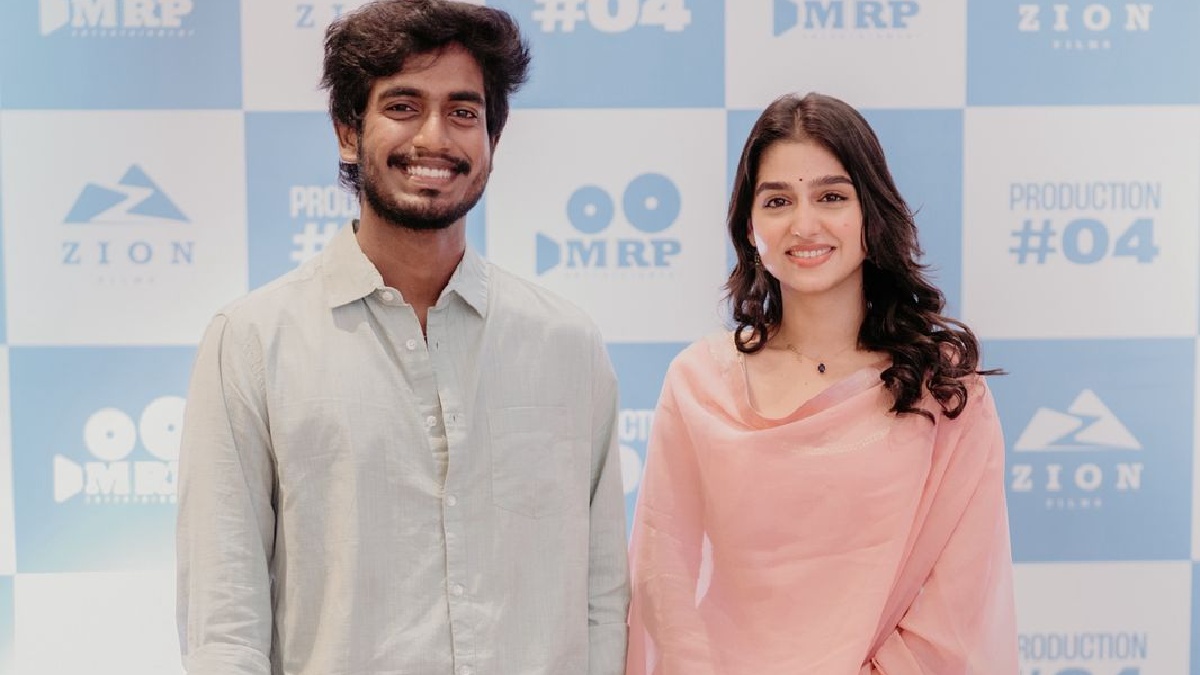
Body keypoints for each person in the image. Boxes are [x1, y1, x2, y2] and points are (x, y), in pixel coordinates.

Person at [175, 2, 629, 673]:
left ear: (492, 142)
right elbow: (224, 625)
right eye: (403, 106)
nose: (434, 137)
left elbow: (602, 596)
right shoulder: (251, 342)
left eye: (463, 112)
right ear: (348, 132)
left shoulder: (565, 344)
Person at [625, 92, 1017, 674]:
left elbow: (955, 612)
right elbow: (663, 582)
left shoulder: (944, 392)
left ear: (871, 213)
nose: (804, 225)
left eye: (831, 196)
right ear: (749, 225)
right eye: (777, 200)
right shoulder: (699, 383)